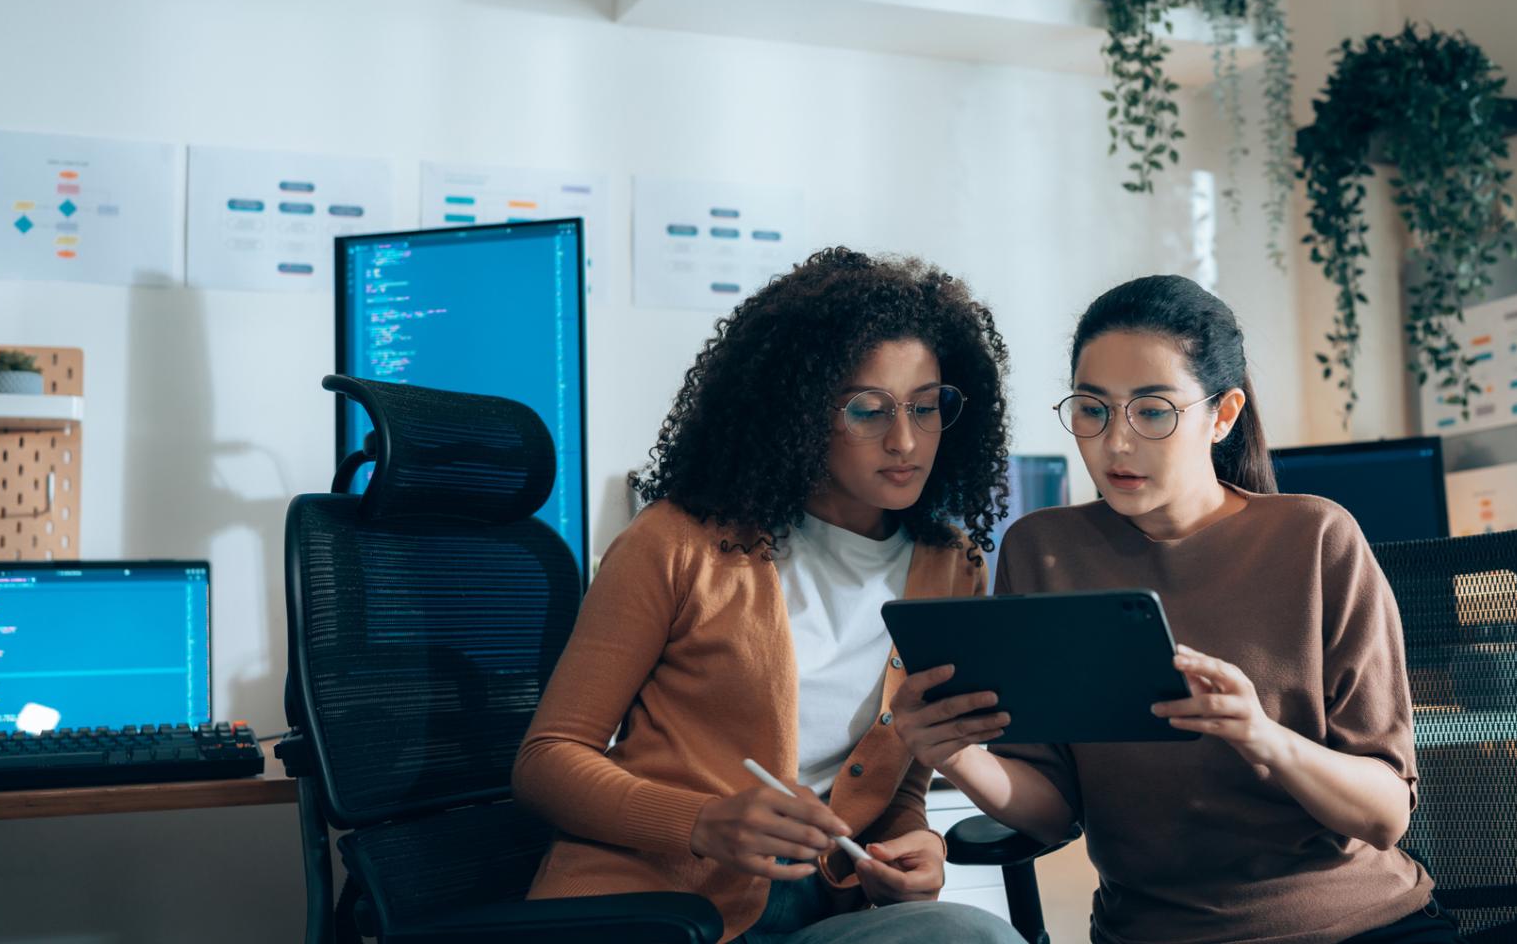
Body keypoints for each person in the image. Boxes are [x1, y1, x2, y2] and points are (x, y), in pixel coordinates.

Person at [890, 275, 1458, 944]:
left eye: (1153, 411)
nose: (1116, 444)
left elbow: (1386, 815)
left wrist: (1260, 736)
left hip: (1353, 926)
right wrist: (956, 756)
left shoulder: (1316, 539)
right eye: (1092, 410)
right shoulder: (1043, 551)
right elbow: (1050, 813)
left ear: (1222, 415)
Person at [514, 248, 1025, 944]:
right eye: (867, 410)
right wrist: (700, 823)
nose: (905, 440)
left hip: (813, 915)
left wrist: (914, 845)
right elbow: (546, 762)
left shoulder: (951, 567)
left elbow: (900, 774)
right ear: (799, 411)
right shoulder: (676, 543)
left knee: (970, 934)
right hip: (650, 911)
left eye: (927, 407)